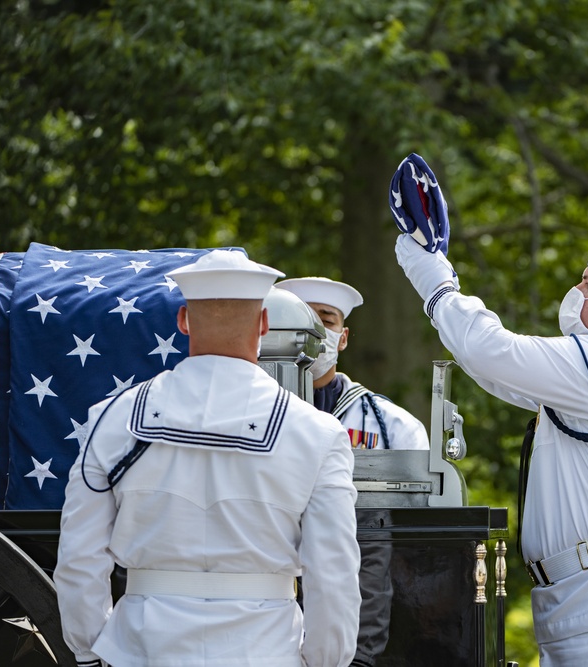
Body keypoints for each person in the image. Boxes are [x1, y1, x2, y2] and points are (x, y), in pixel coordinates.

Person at [388, 155, 588, 667]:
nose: (576, 292)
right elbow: (499, 374)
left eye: (587, 284)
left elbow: (492, 351)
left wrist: (435, 277)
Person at [54, 250, 361, 667]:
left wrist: (89, 651)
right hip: (265, 651)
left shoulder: (111, 418)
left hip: (142, 649)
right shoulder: (318, 433)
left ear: (183, 320)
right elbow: (334, 573)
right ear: (264, 324)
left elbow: (79, 557)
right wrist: (326, 661)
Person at [274, 277, 429, 451]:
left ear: (343, 338)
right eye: (303, 319)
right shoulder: (259, 407)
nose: (315, 330)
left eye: (326, 321)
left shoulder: (395, 426)